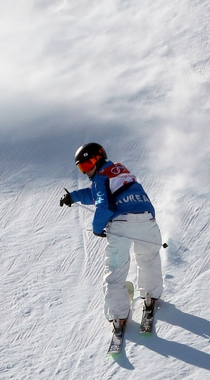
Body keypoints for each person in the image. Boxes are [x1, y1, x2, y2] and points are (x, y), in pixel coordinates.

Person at [59, 142, 163, 333]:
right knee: (149, 259)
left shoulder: (100, 178)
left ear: (98, 159)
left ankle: (118, 315)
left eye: (88, 165)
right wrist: (74, 197)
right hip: (147, 219)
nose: (86, 172)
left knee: (115, 269)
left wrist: (97, 228)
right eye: (82, 168)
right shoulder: (121, 171)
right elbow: (101, 193)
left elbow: (104, 204)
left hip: (121, 224)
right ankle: (151, 296)